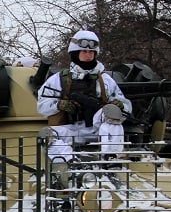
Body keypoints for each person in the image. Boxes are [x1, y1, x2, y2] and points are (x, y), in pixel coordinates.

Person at [36, 30, 132, 163]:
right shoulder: (59, 79)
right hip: (72, 128)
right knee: (46, 136)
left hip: (98, 128)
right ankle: (71, 162)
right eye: (84, 52)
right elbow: (41, 104)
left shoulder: (105, 80)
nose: (88, 55)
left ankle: (111, 160)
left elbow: (124, 103)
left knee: (112, 114)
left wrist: (121, 105)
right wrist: (59, 105)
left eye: (91, 52)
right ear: (76, 53)